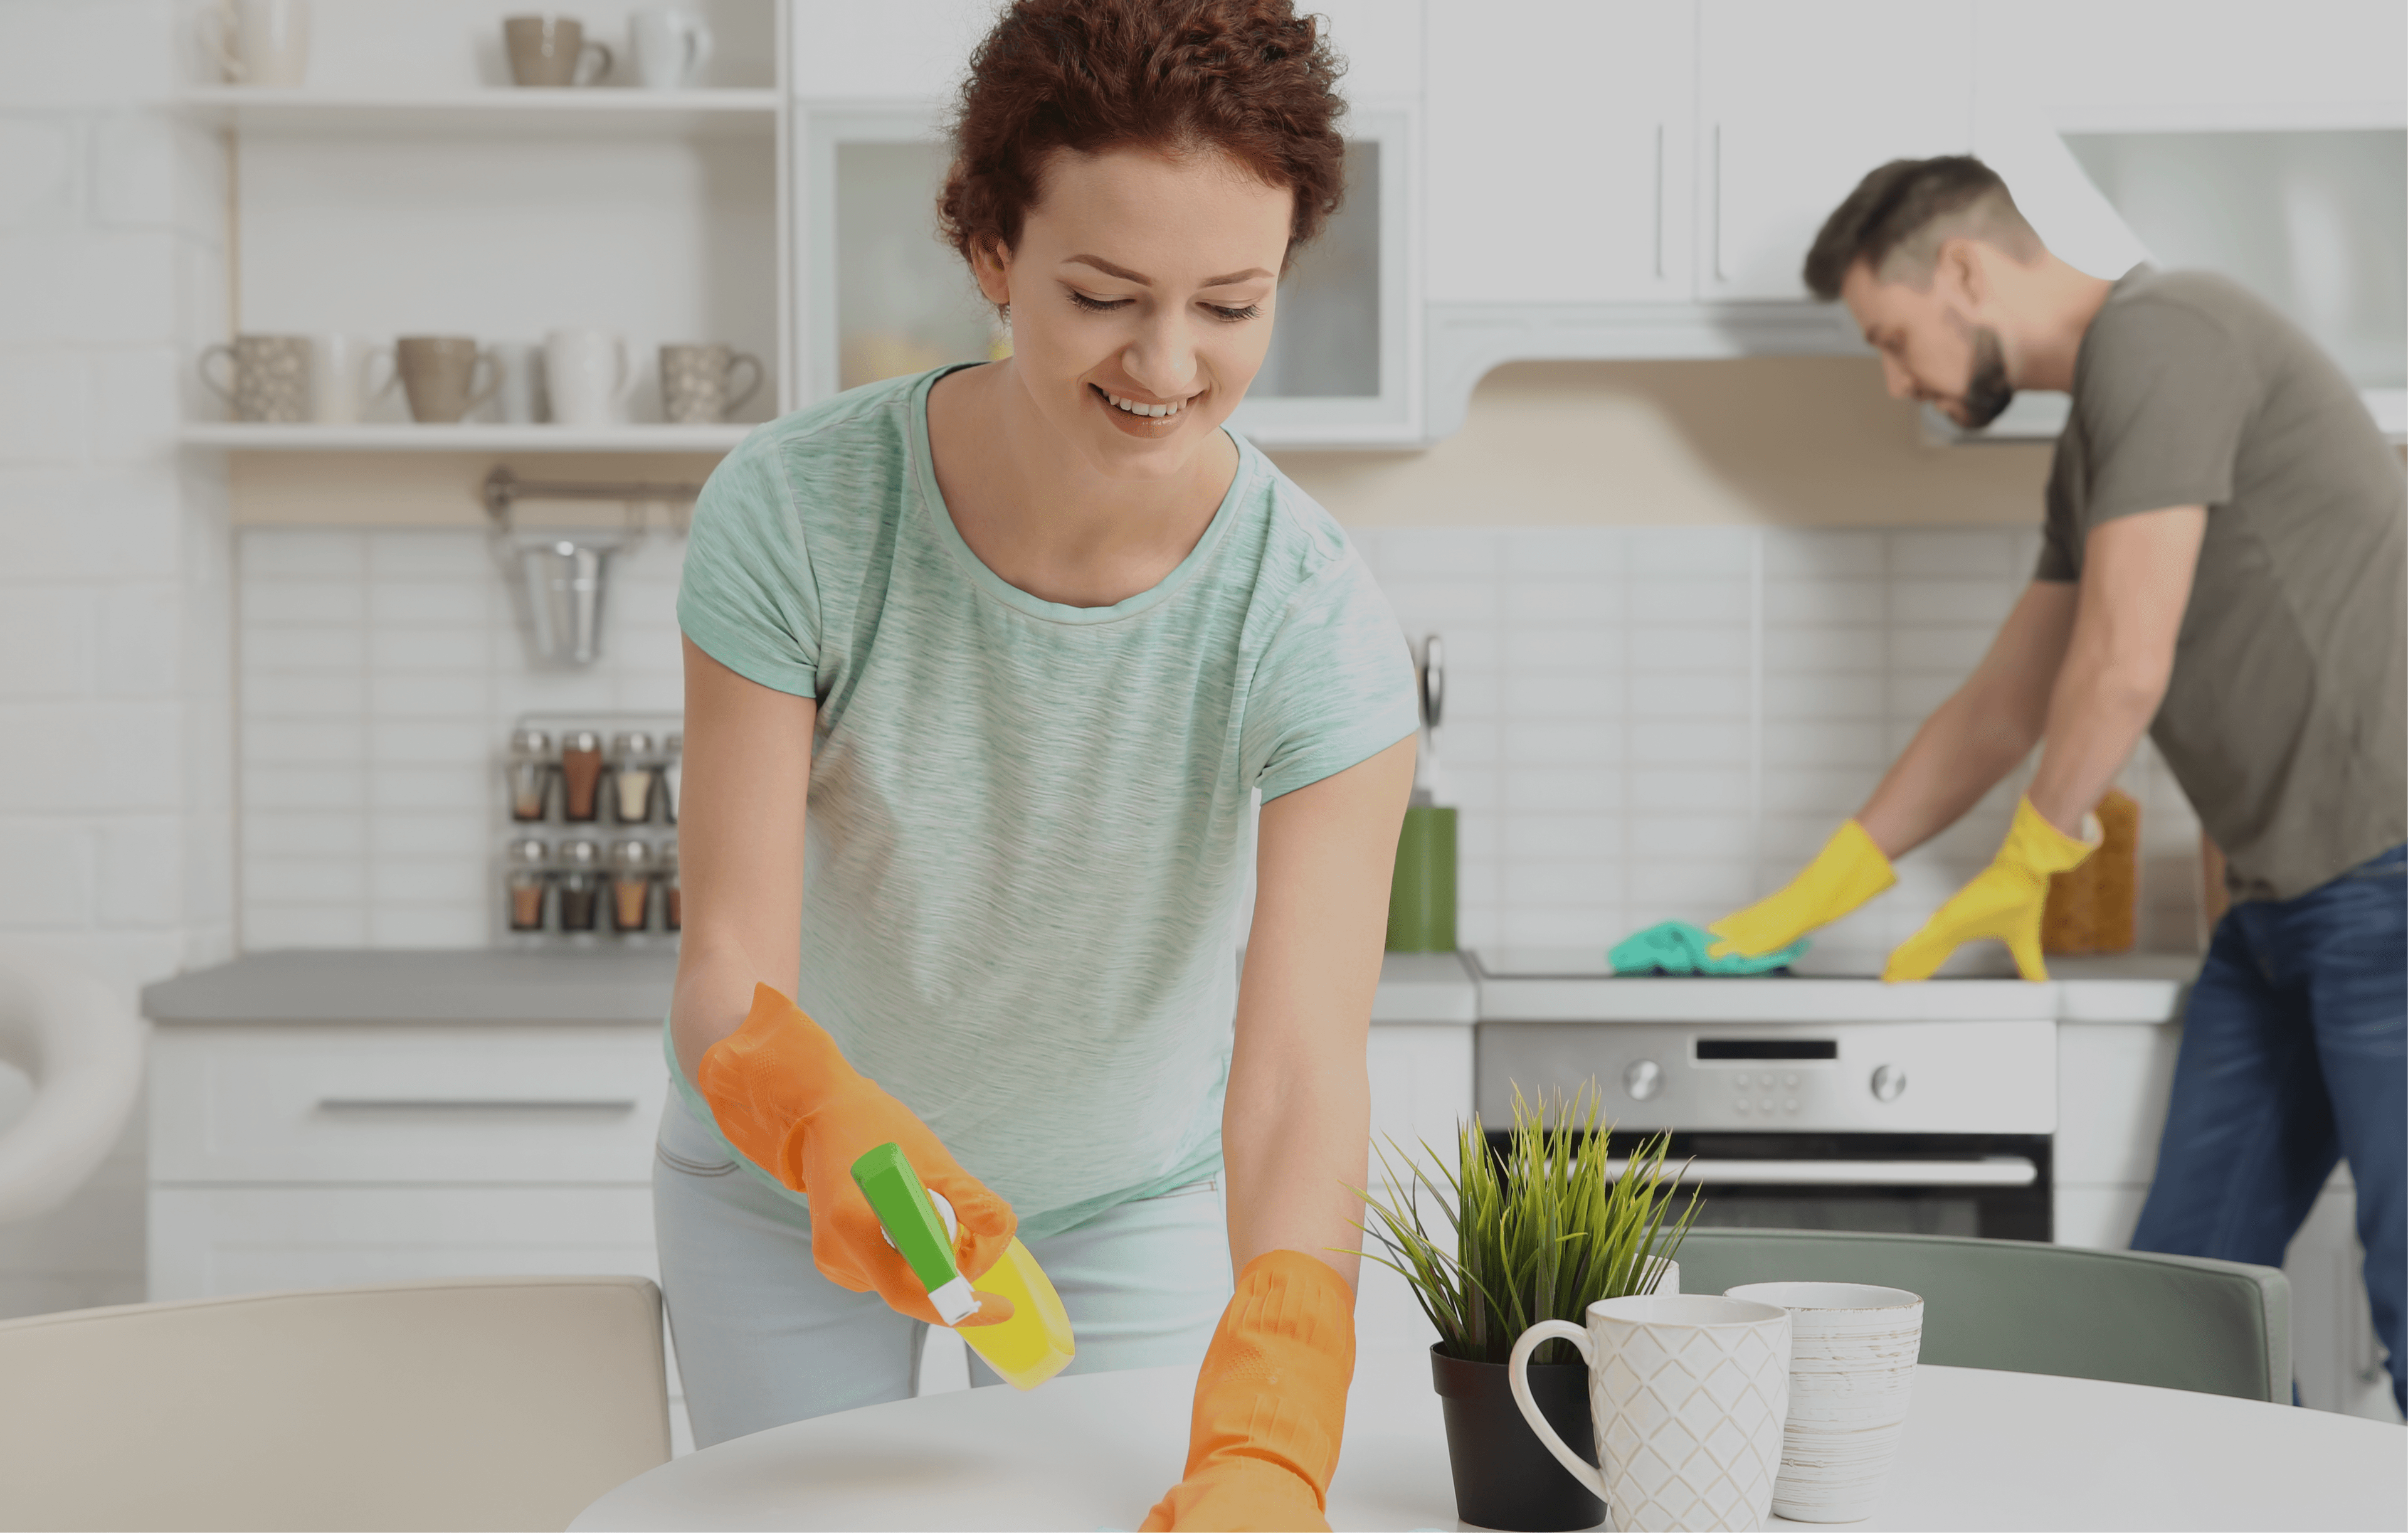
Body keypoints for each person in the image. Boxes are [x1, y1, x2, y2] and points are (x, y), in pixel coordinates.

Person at [654, 0, 1418, 1522]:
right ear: (993, 253)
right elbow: (729, 956)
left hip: (1123, 1206)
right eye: (1105, 293)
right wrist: (819, 1123)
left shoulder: (1311, 615)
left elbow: (1297, 1075)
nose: (1167, 360)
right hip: (791, 1186)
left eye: (1231, 304)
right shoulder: (798, 514)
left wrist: (1274, 1426)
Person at [1707, 154, 2406, 1417]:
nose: (1897, 380)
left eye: (1892, 336)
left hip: (2390, 882)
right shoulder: (2097, 431)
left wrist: (2028, 859)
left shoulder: (2165, 333)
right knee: (2178, 1321)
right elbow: (2000, 707)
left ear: (1967, 271)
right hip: (2277, 912)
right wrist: (1789, 910)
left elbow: (2125, 659)